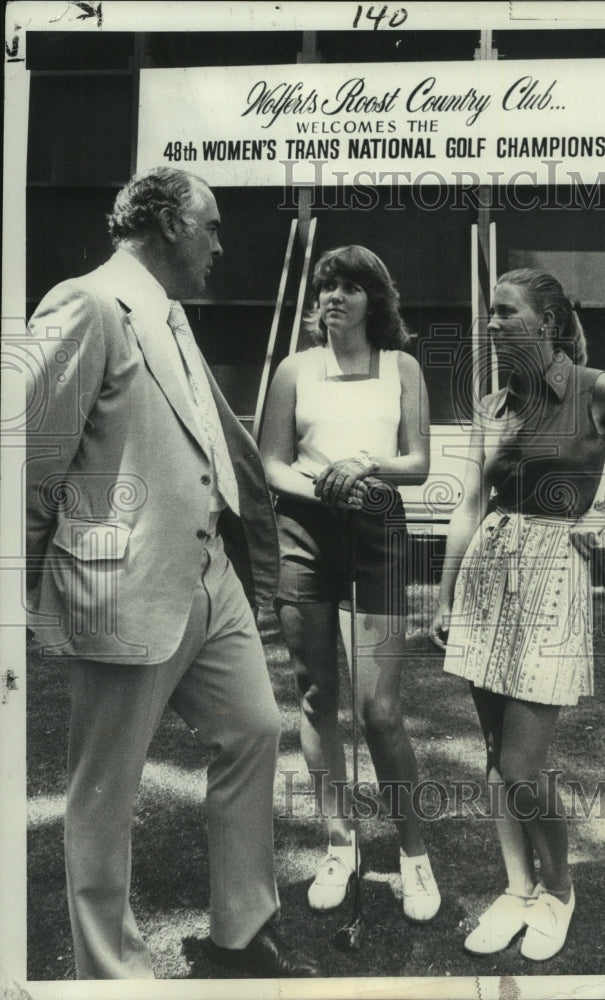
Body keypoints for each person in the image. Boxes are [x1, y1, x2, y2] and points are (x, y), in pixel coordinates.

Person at [24, 167, 320, 979]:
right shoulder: (87, 303)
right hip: (121, 586)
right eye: (212, 228)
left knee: (256, 729)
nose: (222, 245)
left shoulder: (171, 312)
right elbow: (30, 455)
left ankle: (240, 937)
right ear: (164, 226)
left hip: (206, 572)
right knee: (103, 795)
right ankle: (112, 977)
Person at [430, 268, 605, 961]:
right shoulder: (492, 404)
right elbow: (470, 505)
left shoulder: (595, 387)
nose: (489, 325)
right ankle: (516, 889)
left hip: (552, 574)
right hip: (489, 567)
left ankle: (559, 889)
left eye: (503, 312)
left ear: (545, 322)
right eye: (488, 312)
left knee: (522, 763)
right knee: (493, 755)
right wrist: (446, 593)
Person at [260, 245, 441, 922]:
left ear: (376, 300)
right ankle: (340, 843)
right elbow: (270, 462)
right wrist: (320, 482)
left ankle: (414, 855)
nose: (335, 296)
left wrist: (364, 467)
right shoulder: (293, 369)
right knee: (315, 698)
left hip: (379, 532)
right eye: (326, 286)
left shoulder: (404, 368)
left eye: (351, 287)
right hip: (304, 535)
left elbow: (418, 463)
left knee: (380, 711)